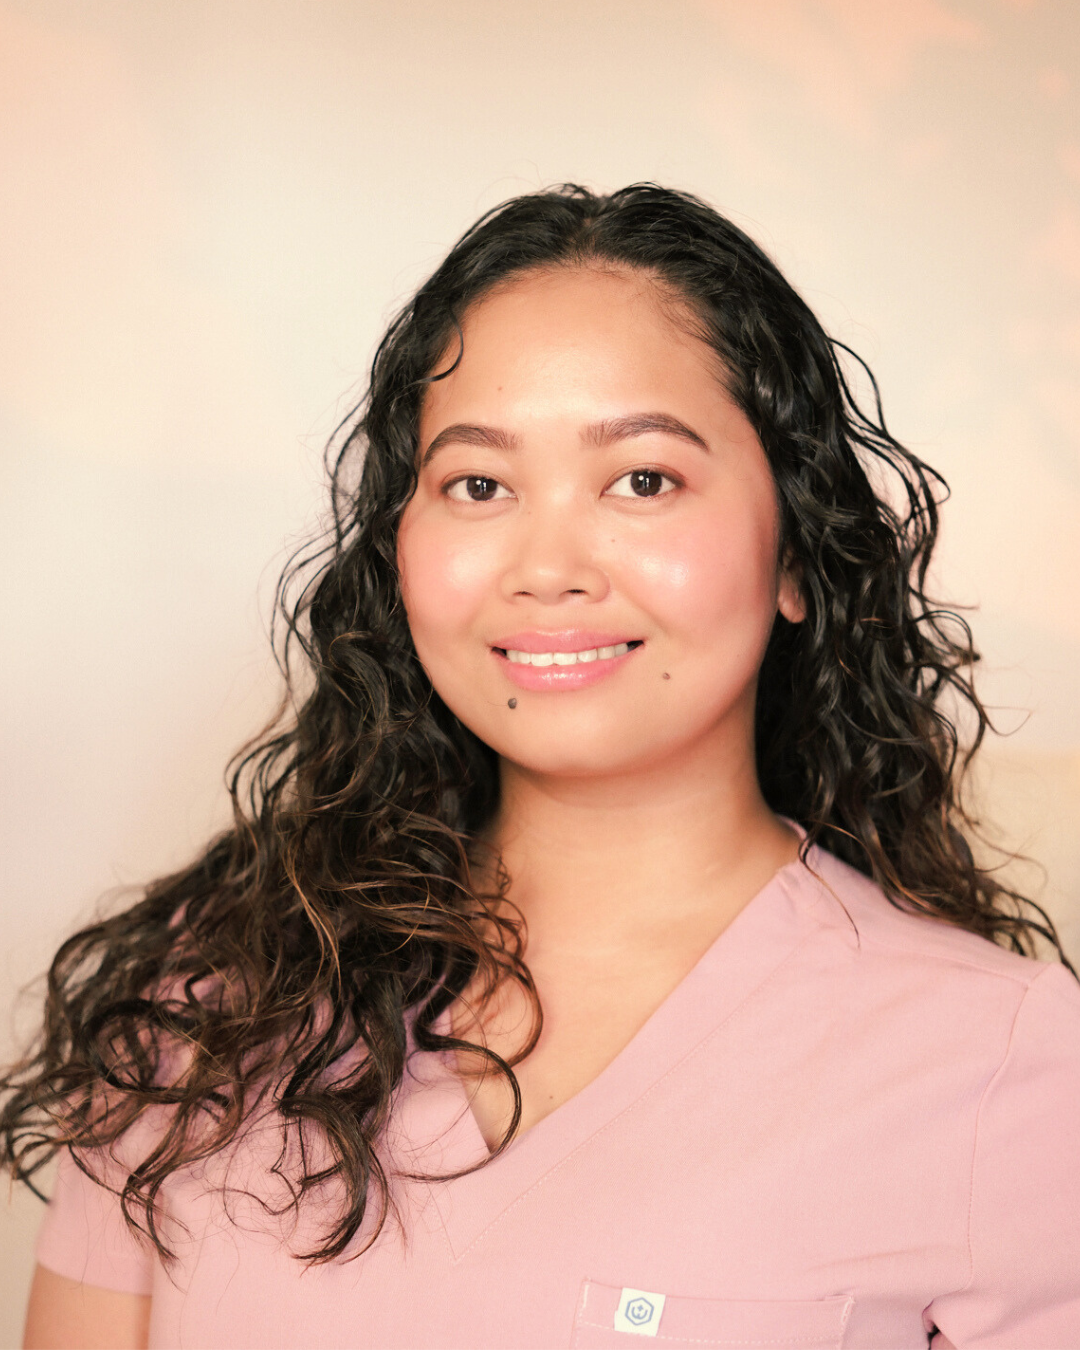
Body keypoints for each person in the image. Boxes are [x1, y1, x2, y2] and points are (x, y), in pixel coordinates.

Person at [4, 183, 1079, 1350]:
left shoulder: (1004, 1068)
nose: (548, 565)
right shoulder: (203, 1017)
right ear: (400, 554)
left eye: (644, 480)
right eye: (479, 486)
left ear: (796, 553)